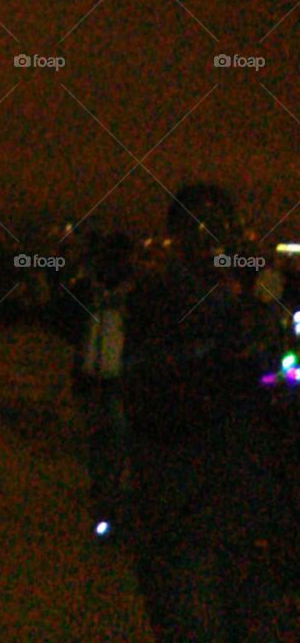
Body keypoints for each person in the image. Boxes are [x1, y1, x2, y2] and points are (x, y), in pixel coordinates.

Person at [121, 183, 298, 641]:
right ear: (179, 236)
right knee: (194, 617)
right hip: (187, 492)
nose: (217, 236)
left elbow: (270, 368)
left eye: (223, 225)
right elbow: (150, 390)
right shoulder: (159, 295)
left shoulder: (240, 296)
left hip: (242, 492)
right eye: (206, 225)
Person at [72, 231, 134, 537]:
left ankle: (109, 498)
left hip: (113, 376)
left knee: (113, 438)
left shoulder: (128, 300)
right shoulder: (94, 297)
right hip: (99, 375)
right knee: (104, 439)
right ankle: (104, 496)